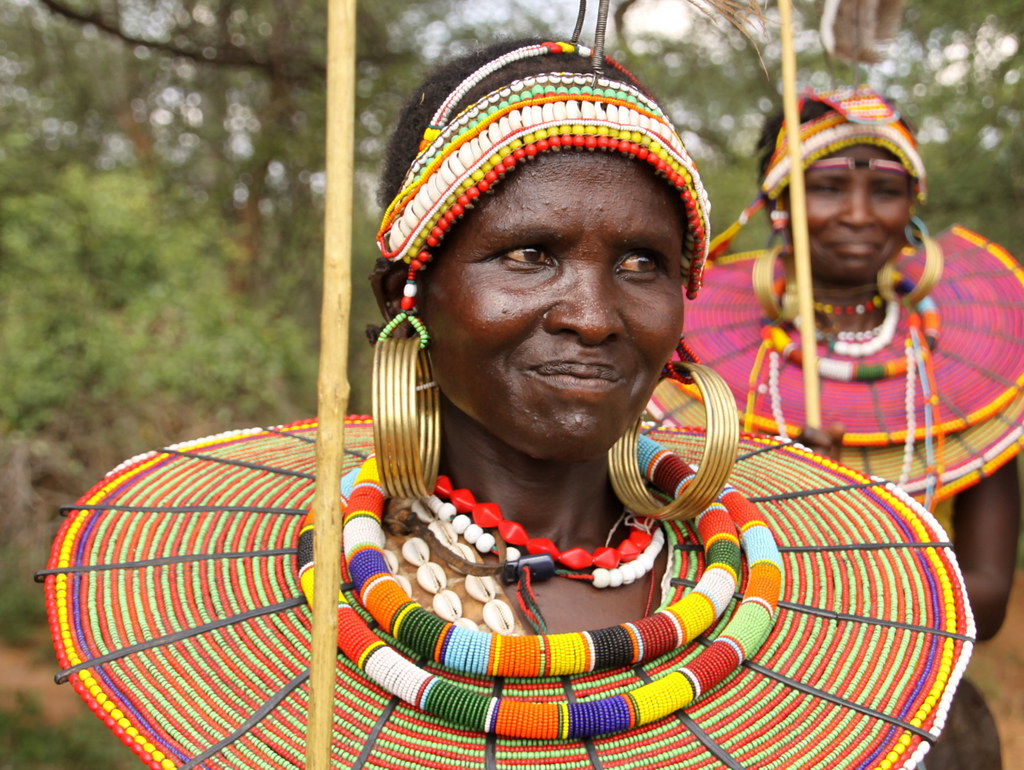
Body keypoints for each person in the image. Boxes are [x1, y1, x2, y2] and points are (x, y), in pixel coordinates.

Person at [41, 45, 973, 769]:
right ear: (407, 292)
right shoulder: (294, 595)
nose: (592, 315)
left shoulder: (788, 605)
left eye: (642, 262)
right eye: (530, 254)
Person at [650, 85, 1022, 768]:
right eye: (825, 188)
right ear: (779, 204)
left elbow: (989, 601)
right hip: (744, 701)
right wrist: (779, 486)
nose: (858, 213)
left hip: (913, 699)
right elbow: (661, 566)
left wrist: (856, 541)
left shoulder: (967, 375)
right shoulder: (686, 360)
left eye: (885, 191)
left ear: (913, 206)